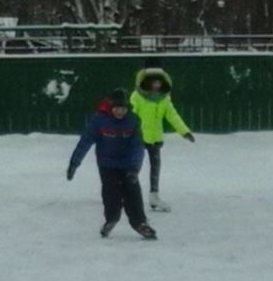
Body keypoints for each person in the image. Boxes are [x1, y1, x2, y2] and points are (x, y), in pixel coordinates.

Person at [67, 88, 157, 240]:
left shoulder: (133, 120)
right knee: (111, 192)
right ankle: (111, 218)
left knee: (133, 192)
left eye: (122, 108)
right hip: (107, 164)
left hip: (127, 163)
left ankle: (140, 223)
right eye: (117, 108)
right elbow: (85, 142)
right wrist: (74, 163)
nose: (120, 112)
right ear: (111, 107)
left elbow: (137, 147)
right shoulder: (99, 120)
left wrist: (134, 169)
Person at [130, 65, 194, 212]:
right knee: (134, 167)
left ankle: (154, 195)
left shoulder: (164, 99)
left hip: (156, 138)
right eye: (154, 82)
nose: (157, 85)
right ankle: (126, 193)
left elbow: (172, 115)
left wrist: (184, 132)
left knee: (155, 166)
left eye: (159, 82)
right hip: (138, 138)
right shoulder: (137, 97)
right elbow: (131, 116)